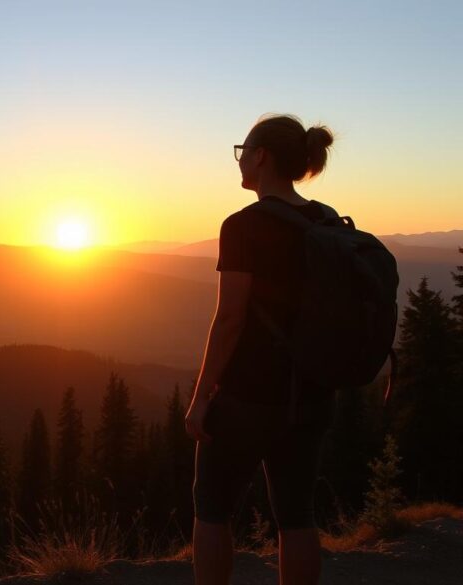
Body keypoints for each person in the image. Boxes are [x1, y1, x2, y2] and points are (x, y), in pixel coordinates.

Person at [184, 114, 339, 585]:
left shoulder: (242, 226)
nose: (240, 161)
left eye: (242, 151)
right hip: (311, 392)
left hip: (247, 394)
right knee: (296, 516)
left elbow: (230, 319)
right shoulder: (326, 219)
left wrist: (201, 398)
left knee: (211, 509)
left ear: (261, 156)